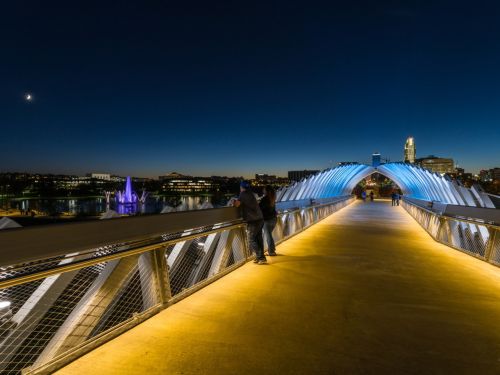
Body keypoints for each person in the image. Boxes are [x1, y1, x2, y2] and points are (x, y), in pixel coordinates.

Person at [234, 181, 266, 264]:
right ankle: (261, 257)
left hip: (253, 221)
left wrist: (234, 202)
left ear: (241, 187)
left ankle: (261, 257)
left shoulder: (243, 194)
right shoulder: (251, 194)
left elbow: (237, 204)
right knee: (259, 239)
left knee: (251, 239)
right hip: (260, 218)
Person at [259, 185, 277, 256]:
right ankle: (272, 250)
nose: (263, 190)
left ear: (266, 191)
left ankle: (271, 251)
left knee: (268, 235)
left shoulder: (265, 199)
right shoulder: (272, 198)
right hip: (274, 219)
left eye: (264, 189)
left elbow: (259, 208)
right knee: (269, 235)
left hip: (267, 220)